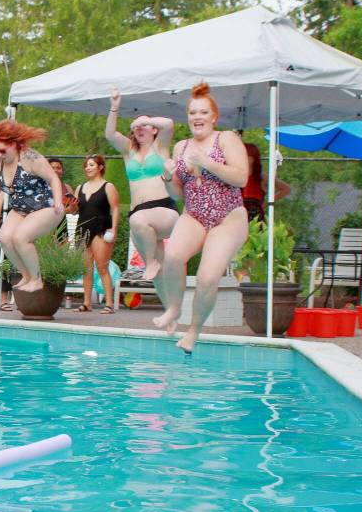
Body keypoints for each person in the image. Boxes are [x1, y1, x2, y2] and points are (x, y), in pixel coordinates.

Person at [153, 82, 249, 354]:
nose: (197, 117)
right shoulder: (181, 147)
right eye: (193, 112)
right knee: (172, 257)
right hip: (194, 214)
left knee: (207, 277)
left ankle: (193, 331)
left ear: (214, 117)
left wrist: (206, 162)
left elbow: (241, 177)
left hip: (227, 216)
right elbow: (178, 193)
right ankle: (173, 308)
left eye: (203, 112)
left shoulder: (226, 139)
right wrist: (167, 176)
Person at [0, 120, 65, 293]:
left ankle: (37, 279)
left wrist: (59, 201)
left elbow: (53, 178)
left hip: (47, 207)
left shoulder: (30, 157)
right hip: (21, 208)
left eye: (3, 150)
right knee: (5, 238)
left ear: (15, 144)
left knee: (20, 237)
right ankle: (26, 275)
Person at [105, 89, 178, 281]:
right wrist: (114, 108)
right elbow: (110, 135)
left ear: (154, 130)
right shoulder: (128, 150)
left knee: (137, 221)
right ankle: (170, 307)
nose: (139, 129)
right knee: (160, 276)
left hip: (163, 210)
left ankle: (151, 262)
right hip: (139, 215)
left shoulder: (160, 146)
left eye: (144, 126)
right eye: (136, 127)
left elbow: (169, 124)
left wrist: (145, 121)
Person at [70, 154, 121, 313]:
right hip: (83, 229)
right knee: (86, 268)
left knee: (102, 267)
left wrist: (114, 229)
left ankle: (109, 304)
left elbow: (116, 208)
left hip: (100, 229)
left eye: (91, 165)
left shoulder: (108, 186)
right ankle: (87, 303)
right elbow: (73, 211)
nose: (87, 168)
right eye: (86, 165)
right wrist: (71, 205)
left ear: (100, 167)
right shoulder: (80, 187)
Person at [242, 140, 291, 222]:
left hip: (255, 217)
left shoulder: (261, 176)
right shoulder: (236, 174)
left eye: (245, 155)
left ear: (253, 158)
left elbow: (286, 189)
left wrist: (266, 204)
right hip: (238, 215)